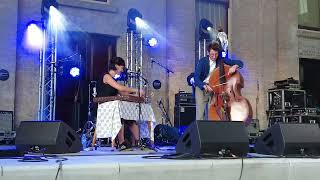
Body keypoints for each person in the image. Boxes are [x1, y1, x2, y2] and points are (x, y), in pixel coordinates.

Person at [97, 56, 144, 150]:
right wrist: (136, 90)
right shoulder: (106, 77)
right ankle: (121, 143)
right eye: (122, 67)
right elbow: (120, 88)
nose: (123, 69)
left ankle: (140, 142)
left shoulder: (114, 80)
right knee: (120, 116)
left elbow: (122, 92)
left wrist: (137, 95)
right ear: (116, 66)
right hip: (105, 107)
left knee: (130, 119)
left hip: (114, 107)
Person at [194, 42, 244, 120]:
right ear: (208, 53)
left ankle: (212, 130)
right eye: (212, 54)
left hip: (214, 88)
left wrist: (235, 66)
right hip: (202, 87)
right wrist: (204, 86)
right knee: (200, 113)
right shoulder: (202, 62)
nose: (214, 57)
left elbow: (240, 63)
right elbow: (196, 78)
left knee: (212, 112)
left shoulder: (221, 60)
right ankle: (200, 130)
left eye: (216, 54)